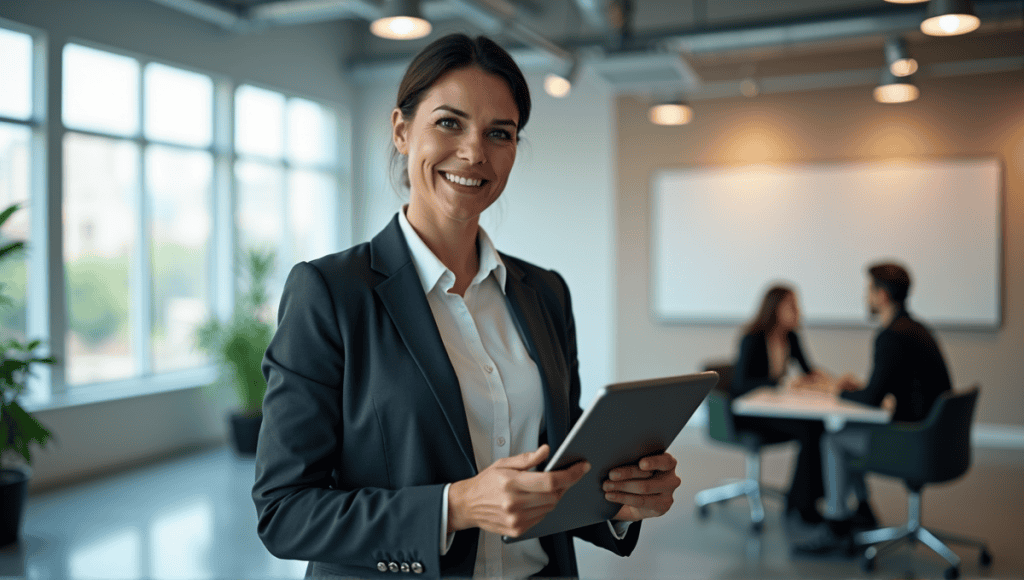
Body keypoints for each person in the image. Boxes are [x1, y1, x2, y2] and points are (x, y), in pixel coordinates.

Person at [252, 33, 681, 579]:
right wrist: (454, 507)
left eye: (499, 134)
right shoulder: (331, 293)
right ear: (402, 131)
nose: (474, 152)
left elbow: (559, 464)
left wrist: (624, 500)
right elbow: (284, 511)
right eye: (449, 123)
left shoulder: (545, 293)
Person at [795, 262, 953, 554]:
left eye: (868, 291)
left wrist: (839, 391)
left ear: (881, 296)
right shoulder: (916, 329)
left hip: (914, 441)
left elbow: (872, 398)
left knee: (832, 440)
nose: (865, 297)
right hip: (935, 437)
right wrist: (863, 389)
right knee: (848, 429)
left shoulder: (891, 335)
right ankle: (863, 508)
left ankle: (836, 527)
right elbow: (889, 387)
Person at [732, 285, 829, 525]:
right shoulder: (752, 338)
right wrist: (781, 382)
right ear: (774, 309)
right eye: (791, 306)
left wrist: (826, 380)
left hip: (774, 410)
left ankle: (800, 499)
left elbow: (808, 370)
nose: (797, 312)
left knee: (817, 426)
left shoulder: (791, 337)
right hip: (750, 415)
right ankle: (801, 504)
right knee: (809, 430)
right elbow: (741, 384)